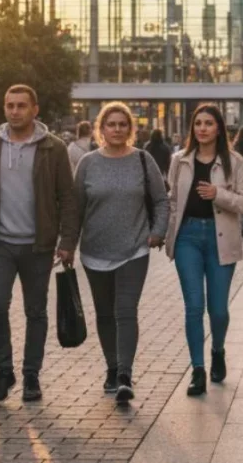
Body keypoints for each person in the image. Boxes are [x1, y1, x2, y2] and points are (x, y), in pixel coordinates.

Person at [0, 85, 79, 404]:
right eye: (9, 105)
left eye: (21, 106)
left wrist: (67, 240)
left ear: (34, 109)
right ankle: (4, 371)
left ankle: (31, 374)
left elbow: (66, 198)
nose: (14, 111)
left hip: (38, 245)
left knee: (35, 310)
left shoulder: (52, 148)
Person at [74, 102, 168, 404]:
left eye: (122, 124)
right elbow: (75, 207)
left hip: (134, 248)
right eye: (111, 124)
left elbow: (161, 200)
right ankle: (112, 368)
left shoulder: (143, 160)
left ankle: (125, 374)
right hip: (94, 251)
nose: (116, 129)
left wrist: (157, 232)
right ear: (101, 129)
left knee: (125, 311)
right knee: (104, 313)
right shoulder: (88, 163)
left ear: (130, 129)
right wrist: (66, 245)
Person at [166, 104, 243, 397]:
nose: (202, 128)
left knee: (218, 310)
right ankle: (198, 369)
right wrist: (164, 231)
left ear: (219, 128)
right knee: (194, 306)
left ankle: (217, 349)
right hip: (187, 237)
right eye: (198, 123)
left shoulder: (234, 161)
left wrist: (219, 195)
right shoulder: (179, 160)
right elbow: (172, 199)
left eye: (208, 123)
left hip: (221, 237)